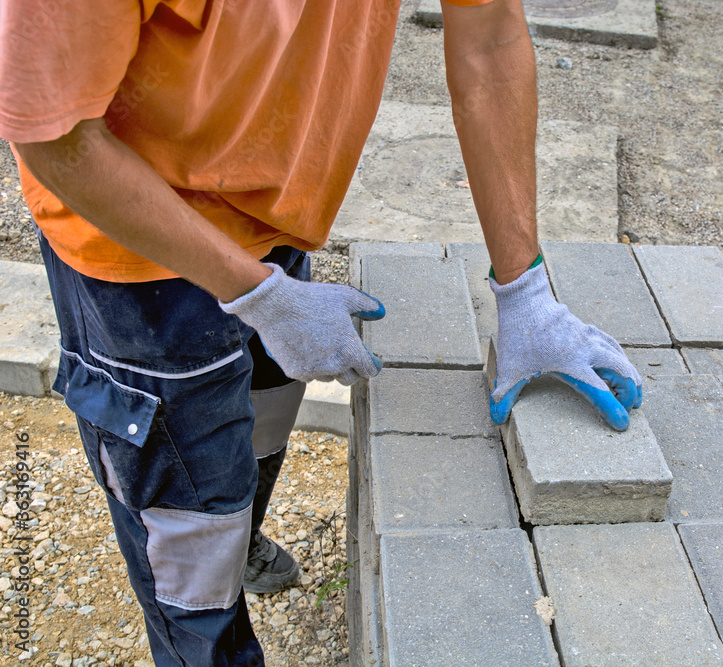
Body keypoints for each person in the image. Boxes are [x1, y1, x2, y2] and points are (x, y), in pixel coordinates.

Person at [0, 0, 643, 664]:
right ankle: (208, 616)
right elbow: (52, 134)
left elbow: (487, 39)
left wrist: (525, 291)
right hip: (138, 259)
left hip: (273, 209)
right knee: (192, 568)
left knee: (265, 411)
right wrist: (257, 294)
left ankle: (239, 531)